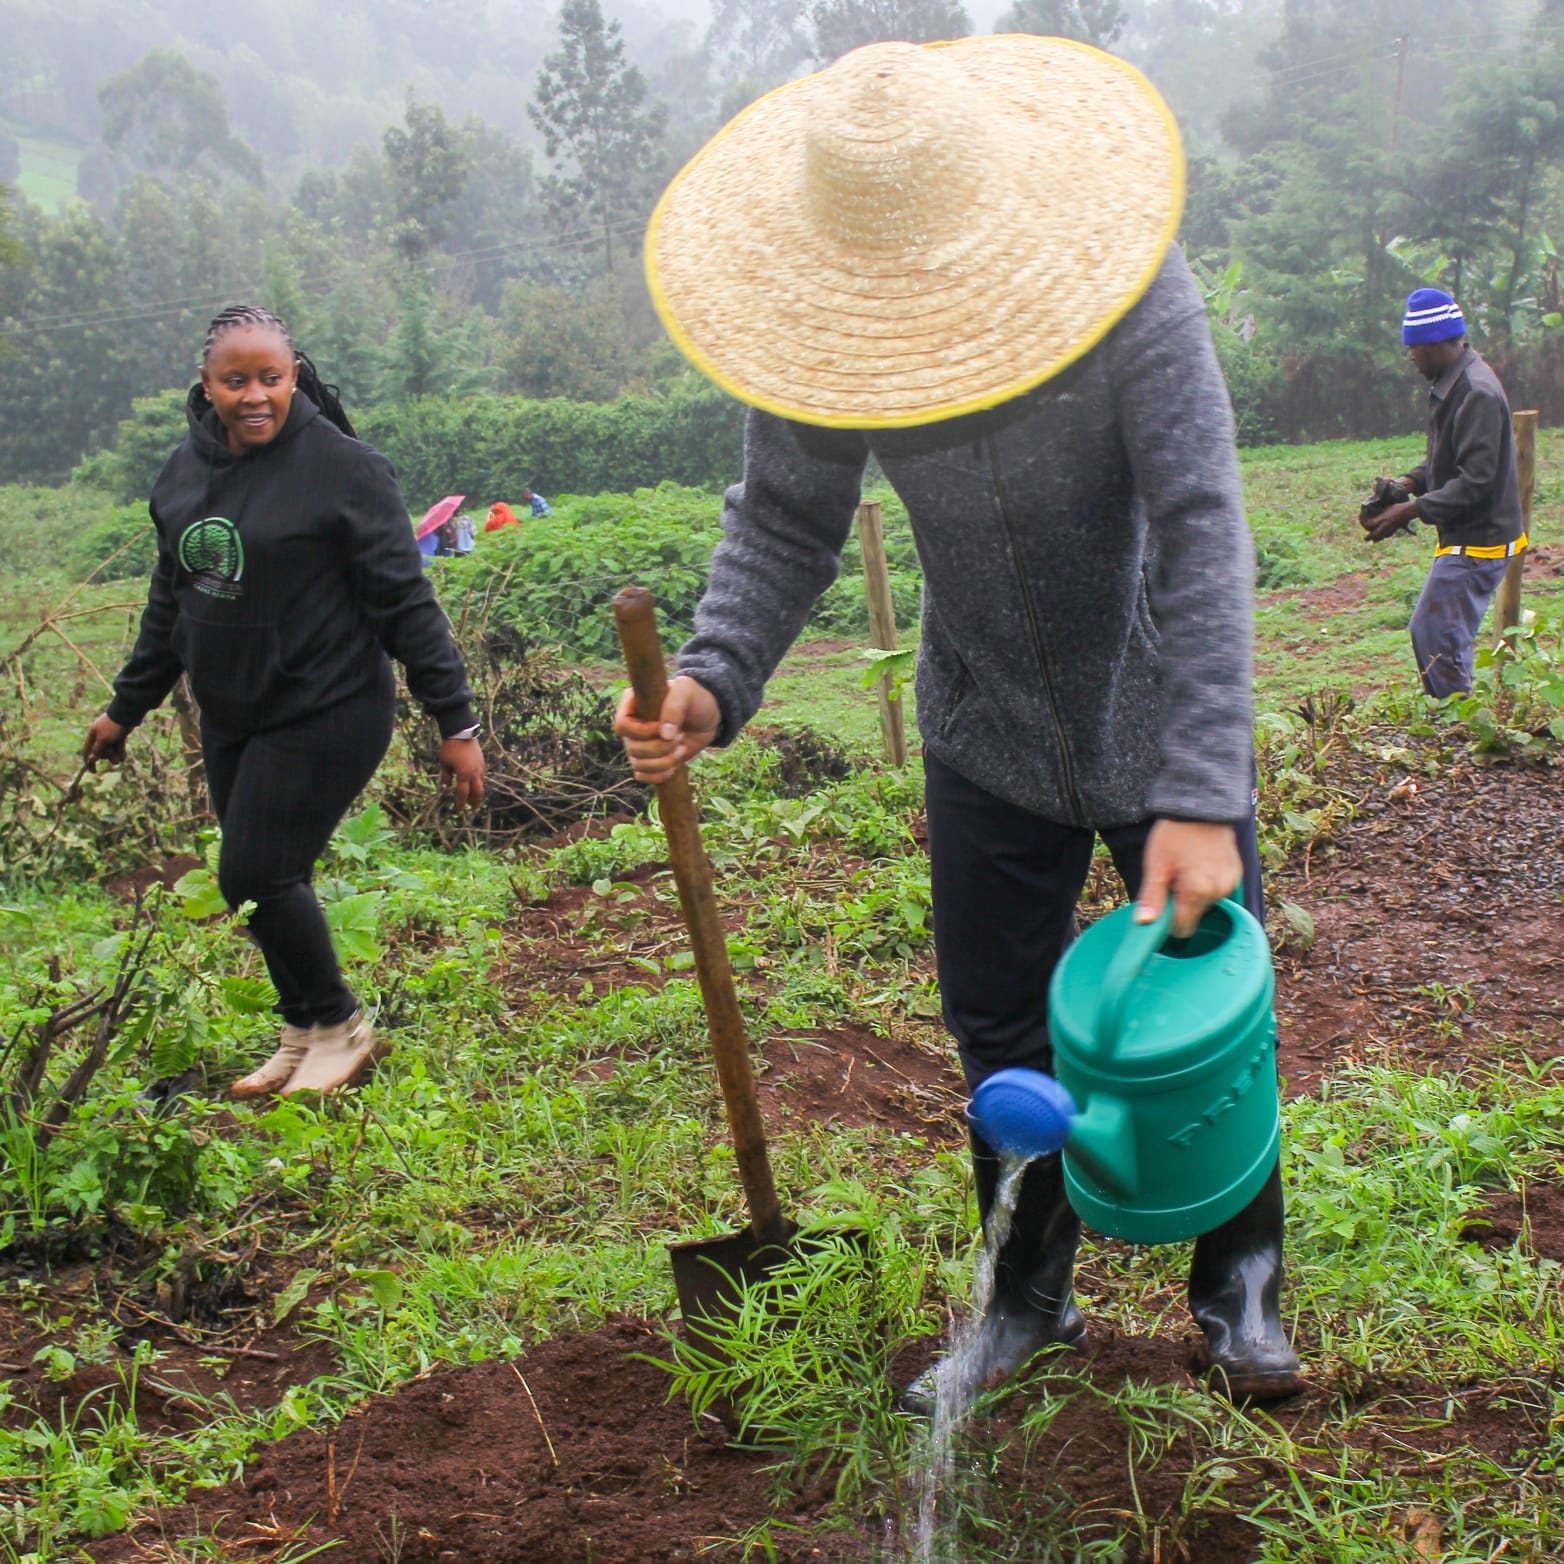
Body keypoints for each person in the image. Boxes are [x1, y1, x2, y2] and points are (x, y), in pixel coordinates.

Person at [615, 38, 1301, 1412]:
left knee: (1208, 1000)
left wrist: (1199, 780)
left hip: (1159, 710)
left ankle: (1241, 1285)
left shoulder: (1123, 276)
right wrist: (711, 677)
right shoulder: (830, 316)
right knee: (997, 1022)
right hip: (983, 714)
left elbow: (1202, 518)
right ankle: (1029, 1298)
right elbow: (787, 517)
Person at [82, 305, 486, 1099]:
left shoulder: (345, 470)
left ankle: (340, 1026)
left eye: (271, 377)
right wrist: (126, 708)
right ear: (208, 385)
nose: (255, 395)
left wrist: (455, 719)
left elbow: (406, 603)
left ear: (294, 375)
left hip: (329, 705)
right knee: (252, 879)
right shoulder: (183, 473)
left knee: (259, 868)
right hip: (234, 712)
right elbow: (170, 602)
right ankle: (303, 1030)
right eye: (236, 381)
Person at [1360, 288, 1527, 698]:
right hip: (1467, 536)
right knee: (1440, 633)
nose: (1411, 359)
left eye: (1413, 350)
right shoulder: (1452, 385)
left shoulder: (1476, 393)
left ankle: (1457, 723)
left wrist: (1408, 512)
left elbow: (1476, 482)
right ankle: (1455, 721)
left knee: (1436, 634)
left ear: (1435, 344)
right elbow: (1446, 461)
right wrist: (1407, 485)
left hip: (1481, 541)